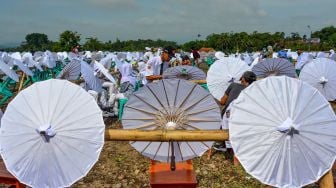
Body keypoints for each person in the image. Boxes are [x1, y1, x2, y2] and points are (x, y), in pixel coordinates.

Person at [213, 71, 257, 151]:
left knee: (225, 112)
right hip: (244, 119)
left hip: (228, 118)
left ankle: (221, 142)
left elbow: (222, 102)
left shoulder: (233, 85)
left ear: (242, 79)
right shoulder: (254, 90)